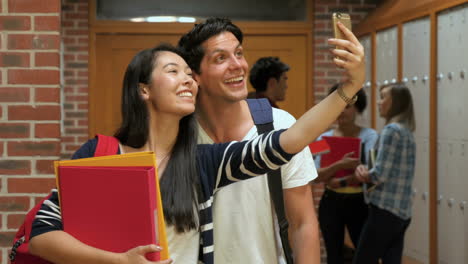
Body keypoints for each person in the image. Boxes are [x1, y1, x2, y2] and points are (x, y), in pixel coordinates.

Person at [28, 21, 364, 264]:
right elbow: (41, 236)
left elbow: (289, 140)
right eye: (174, 71)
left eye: (188, 73)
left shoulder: (203, 160)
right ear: (144, 89)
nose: (187, 79)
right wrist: (117, 260)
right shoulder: (101, 155)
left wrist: (349, 88)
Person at [178, 17, 364, 264]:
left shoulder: (277, 125)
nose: (238, 65)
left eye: (239, 53)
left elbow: (303, 223)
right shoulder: (179, 136)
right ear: (195, 76)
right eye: (220, 58)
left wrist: (351, 86)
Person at [313, 84, 378, 264]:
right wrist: (339, 165)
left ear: (357, 108)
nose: (341, 111)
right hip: (330, 203)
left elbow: (372, 173)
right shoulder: (322, 139)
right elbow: (315, 175)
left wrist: (341, 180)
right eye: (337, 106)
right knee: (334, 255)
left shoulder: (370, 136)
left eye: (347, 106)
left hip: (360, 204)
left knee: (365, 255)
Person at [352, 83, 416, 264]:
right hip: (402, 212)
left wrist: (362, 172)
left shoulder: (390, 131)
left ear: (396, 102)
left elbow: (380, 174)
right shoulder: (407, 131)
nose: (378, 103)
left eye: (383, 97)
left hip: (384, 211)